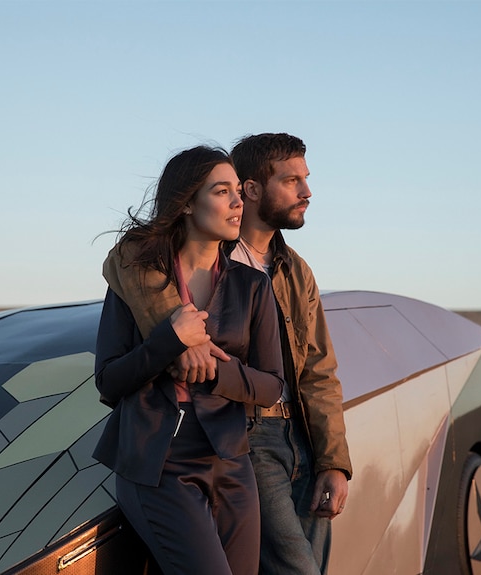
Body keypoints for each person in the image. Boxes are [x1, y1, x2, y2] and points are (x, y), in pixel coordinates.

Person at [92, 146, 285, 575]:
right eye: (222, 191)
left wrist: (216, 370)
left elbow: (272, 385)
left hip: (231, 460)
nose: (239, 202)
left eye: (239, 191)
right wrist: (170, 342)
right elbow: (108, 380)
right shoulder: (135, 280)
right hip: (158, 461)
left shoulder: (252, 286)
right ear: (185, 204)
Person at [228, 132, 352, 575]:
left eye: (306, 179)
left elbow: (319, 371)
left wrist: (333, 461)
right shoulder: (211, 260)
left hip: (301, 438)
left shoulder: (295, 269)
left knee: (312, 567)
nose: (307, 192)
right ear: (251, 188)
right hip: (248, 438)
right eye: (291, 181)